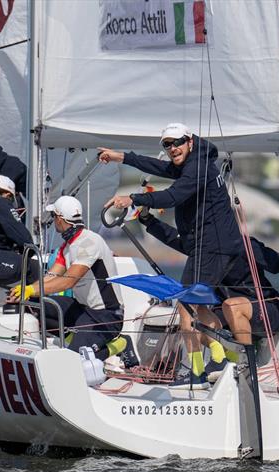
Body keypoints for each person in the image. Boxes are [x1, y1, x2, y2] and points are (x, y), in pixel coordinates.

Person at [99, 123, 244, 389]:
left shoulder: (197, 168)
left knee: (184, 309)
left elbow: (173, 196)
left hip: (212, 248)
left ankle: (199, 372)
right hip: (215, 248)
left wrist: (132, 198)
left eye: (177, 142)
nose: (172, 148)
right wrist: (120, 156)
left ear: (189, 141)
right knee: (199, 309)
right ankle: (226, 356)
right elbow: (158, 168)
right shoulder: (194, 163)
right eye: (167, 144)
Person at [139, 210, 279, 384]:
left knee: (232, 305)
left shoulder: (245, 246)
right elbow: (173, 238)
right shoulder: (204, 248)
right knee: (190, 311)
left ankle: (245, 365)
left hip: (265, 311)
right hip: (226, 312)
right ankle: (209, 365)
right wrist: (148, 220)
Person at [8, 196, 133, 369]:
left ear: (59, 218)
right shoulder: (66, 247)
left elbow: (68, 282)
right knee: (35, 303)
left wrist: (31, 289)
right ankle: (73, 338)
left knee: (75, 361)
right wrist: (26, 290)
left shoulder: (90, 242)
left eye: (53, 217)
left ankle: (120, 344)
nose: (53, 221)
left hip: (106, 316)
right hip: (82, 309)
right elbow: (51, 277)